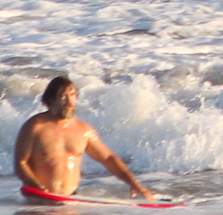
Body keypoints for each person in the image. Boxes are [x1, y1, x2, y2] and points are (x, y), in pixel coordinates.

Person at [13, 76, 155, 201]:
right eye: (63, 96)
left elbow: (108, 159)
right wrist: (35, 186)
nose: (69, 101)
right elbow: (21, 163)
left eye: (73, 95)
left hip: (70, 200)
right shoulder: (35, 127)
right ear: (50, 100)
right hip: (39, 202)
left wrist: (134, 184)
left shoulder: (83, 131)